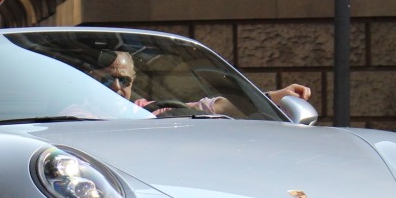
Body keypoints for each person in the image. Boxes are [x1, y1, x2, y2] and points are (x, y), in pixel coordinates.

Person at [94, 51, 311, 116]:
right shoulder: (73, 116)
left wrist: (275, 97)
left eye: (124, 80)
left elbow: (214, 108)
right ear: (91, 80)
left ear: (133, 81)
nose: (115, 87)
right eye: (106, 79)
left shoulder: (148, 111)